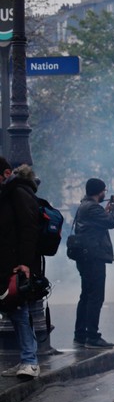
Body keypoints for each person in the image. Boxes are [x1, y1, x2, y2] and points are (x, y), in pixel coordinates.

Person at [0, 159, 42, 379]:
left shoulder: (18, 192)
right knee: (14, 311)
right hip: (8, 262)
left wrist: (25, 263)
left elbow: (29, 229)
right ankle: (27, 359)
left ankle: (30, 361)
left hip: (18, 264)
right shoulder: (8, 193)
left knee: (19, 311)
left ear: (6, 173)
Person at [72, 178, 114, 349]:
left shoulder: (85, 206)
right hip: (93, 257)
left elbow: (98, 223)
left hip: (85, 256)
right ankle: (92, 336)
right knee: (95, 297)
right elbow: (111, 222)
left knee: (86, 295)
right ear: (98, 191)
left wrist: (107, 210)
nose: (105, 194)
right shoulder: (92, 207)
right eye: (104, 191)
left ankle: (80, 334)